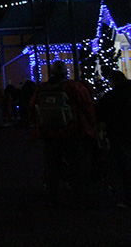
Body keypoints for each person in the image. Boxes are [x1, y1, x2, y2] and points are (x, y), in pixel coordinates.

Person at [29, 60, 96, 204]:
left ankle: (52, 191)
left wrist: (38, 124)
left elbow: (32, 107)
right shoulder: (73, 86)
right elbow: (87, 106)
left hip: (49, 131)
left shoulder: (43, 88)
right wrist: (91, 124)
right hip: (73, 130)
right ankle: (78, 193)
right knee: (76, 163)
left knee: (52, 163)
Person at [95, 70, 131, 208]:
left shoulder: (111, 96)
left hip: (119, 133)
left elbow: (100, 114)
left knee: (123, 166)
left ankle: (126, 197)